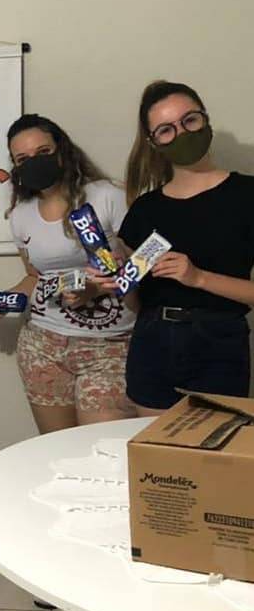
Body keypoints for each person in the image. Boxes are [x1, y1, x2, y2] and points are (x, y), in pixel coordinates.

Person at [96, 81, 254, 414]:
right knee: (151, 445)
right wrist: (117, 280)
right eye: (166, 130)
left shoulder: (246, 195)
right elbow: (136, 302)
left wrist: (199, 278)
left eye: (189, 120)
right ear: (154, 142)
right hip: (151, 341)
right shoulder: (144, 210)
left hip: (218, 342)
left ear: (205, 119)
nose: (181, 133)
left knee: (212, 446)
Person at [0, 114, 136, 433]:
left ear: (62, 150)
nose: (34, 162)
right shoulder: (20, 216)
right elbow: (35, 277)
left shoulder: (107, 196)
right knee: (57, 449)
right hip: (43, 346)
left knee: (102, 450)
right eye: (23, 159)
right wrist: (2, 301)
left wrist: (97, 289)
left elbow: (143, 264)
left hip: (109, 347)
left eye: (43, 152)